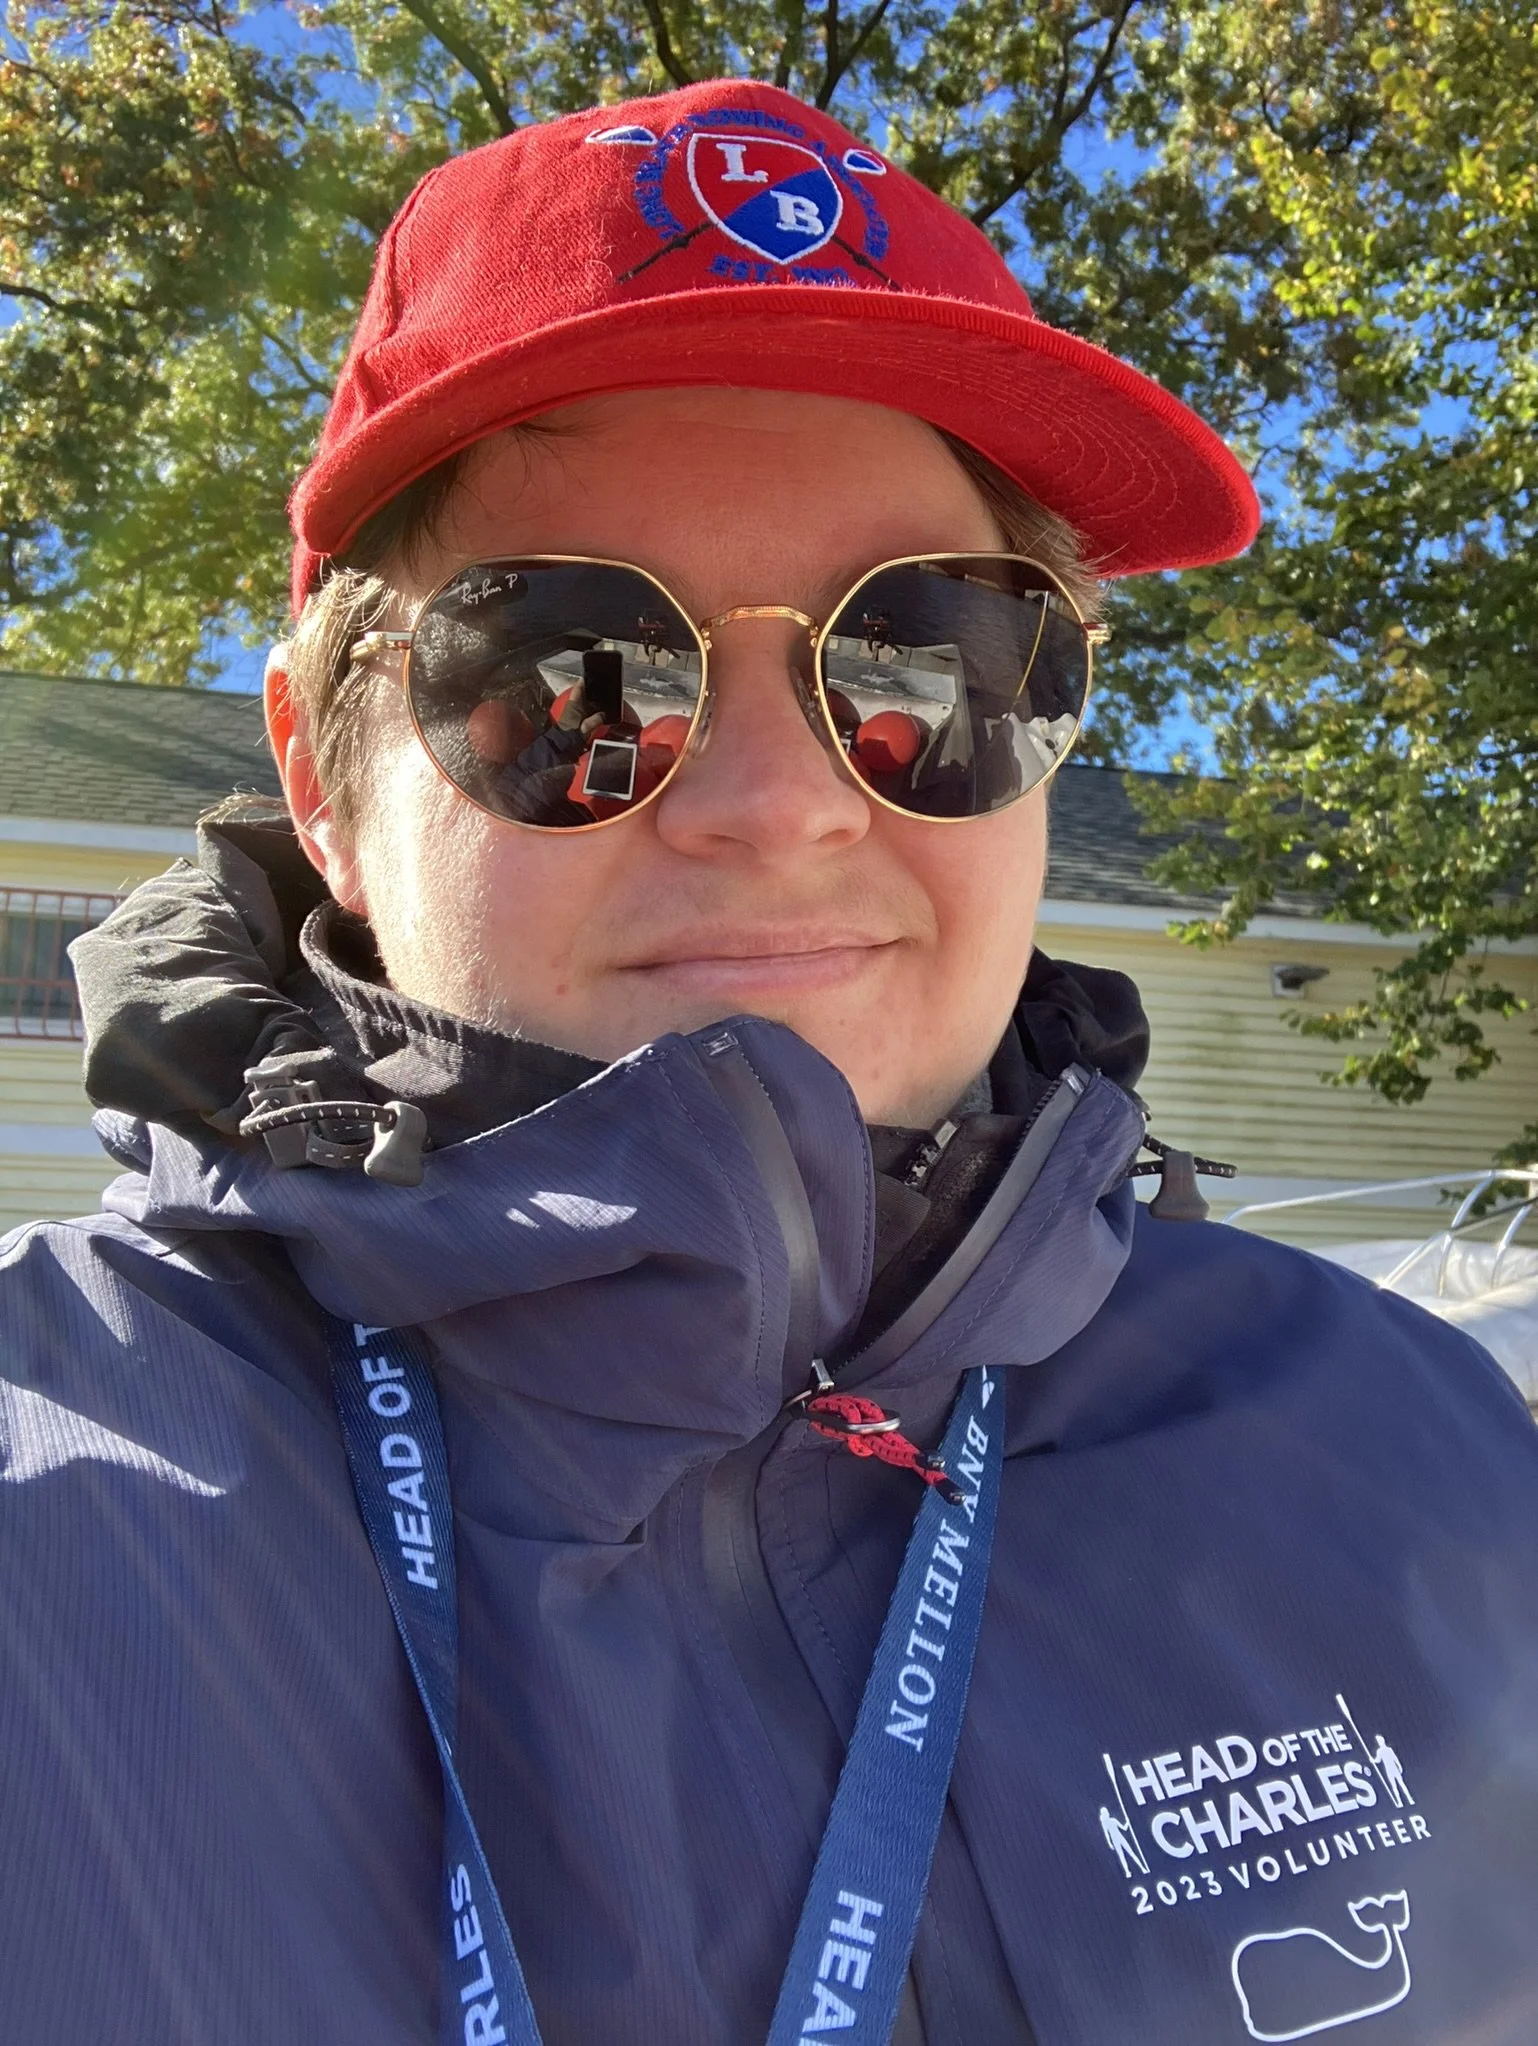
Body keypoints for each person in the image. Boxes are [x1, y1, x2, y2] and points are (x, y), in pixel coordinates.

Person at [2, 78, 1537, 2046]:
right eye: (568, 672)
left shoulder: (1427, 1450)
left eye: (931, 660)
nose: (774, 801)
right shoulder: (52, 1519)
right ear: (322, 784)